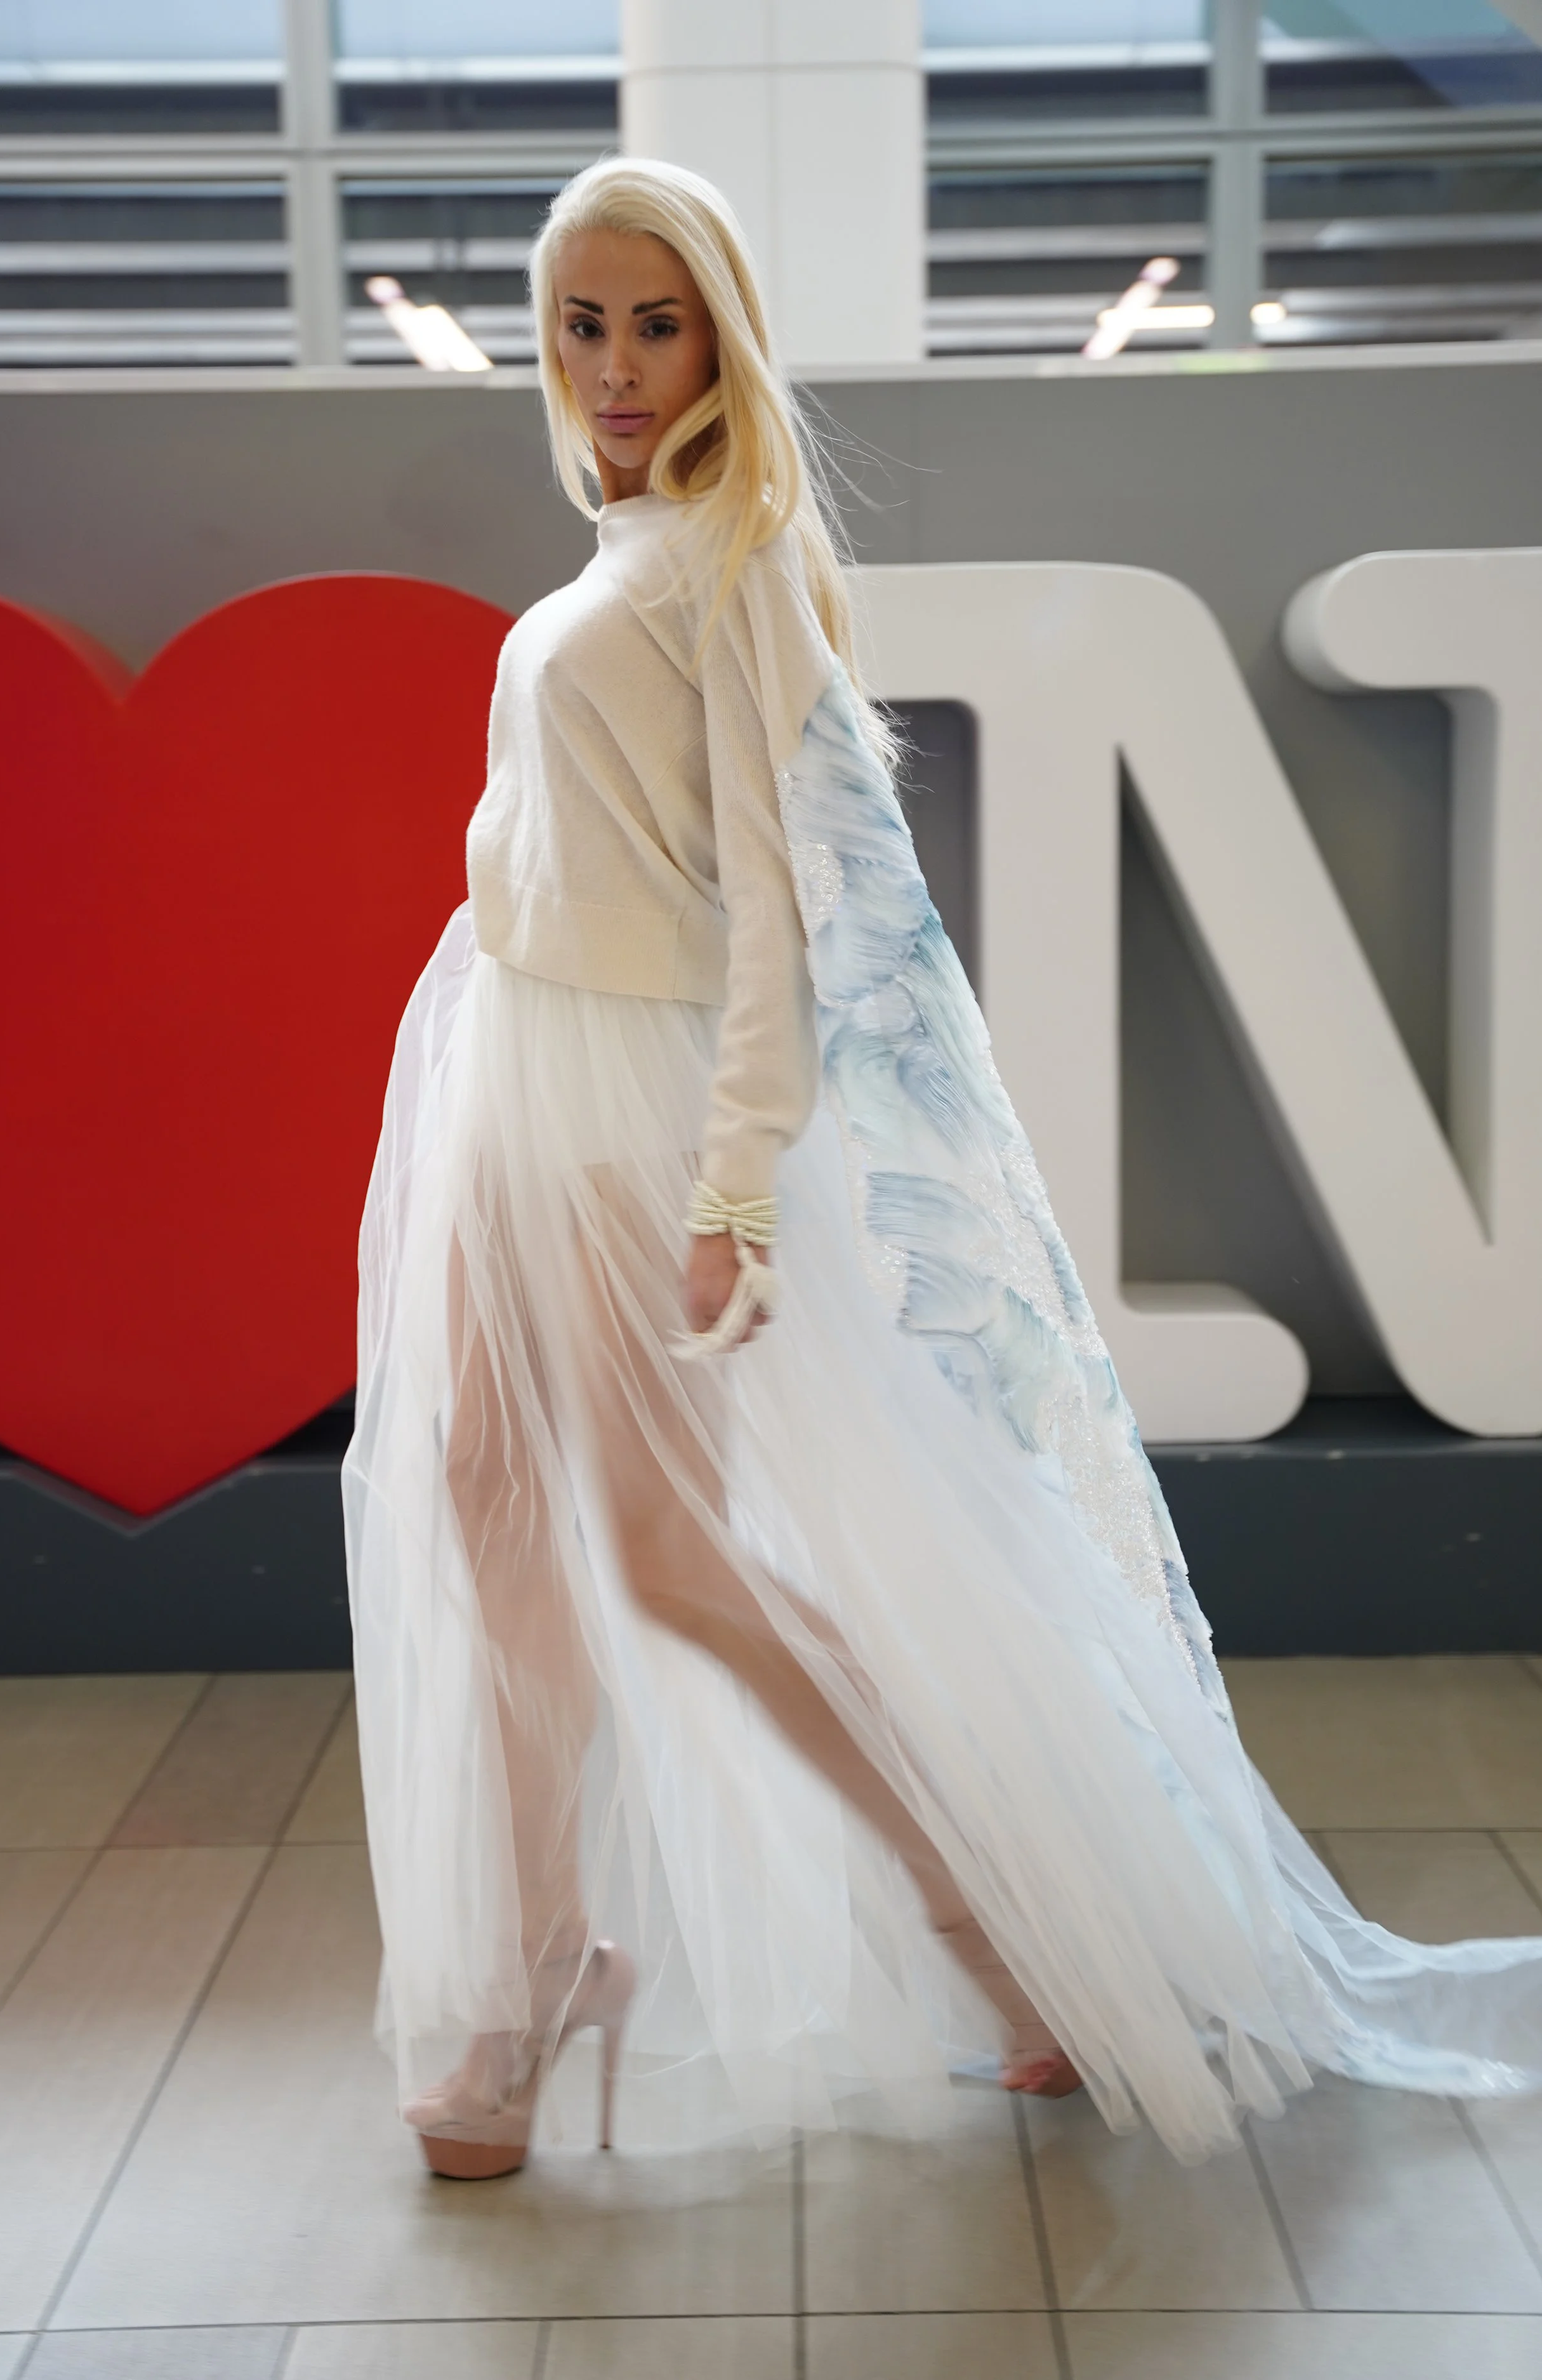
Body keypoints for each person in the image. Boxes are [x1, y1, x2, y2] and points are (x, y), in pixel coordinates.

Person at [343, 157, 1542, 2182]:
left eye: (657, 321)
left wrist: (733, 1192)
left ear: (719, 329)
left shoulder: (733, 558)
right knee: (482, 1498)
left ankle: (1000, 1925)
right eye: (582, 324)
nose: (620, 366)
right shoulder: (623, 542)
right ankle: (547, 1947)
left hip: (633, 1102)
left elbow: (779, 915)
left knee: (663, 1552)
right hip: (507, 1062)